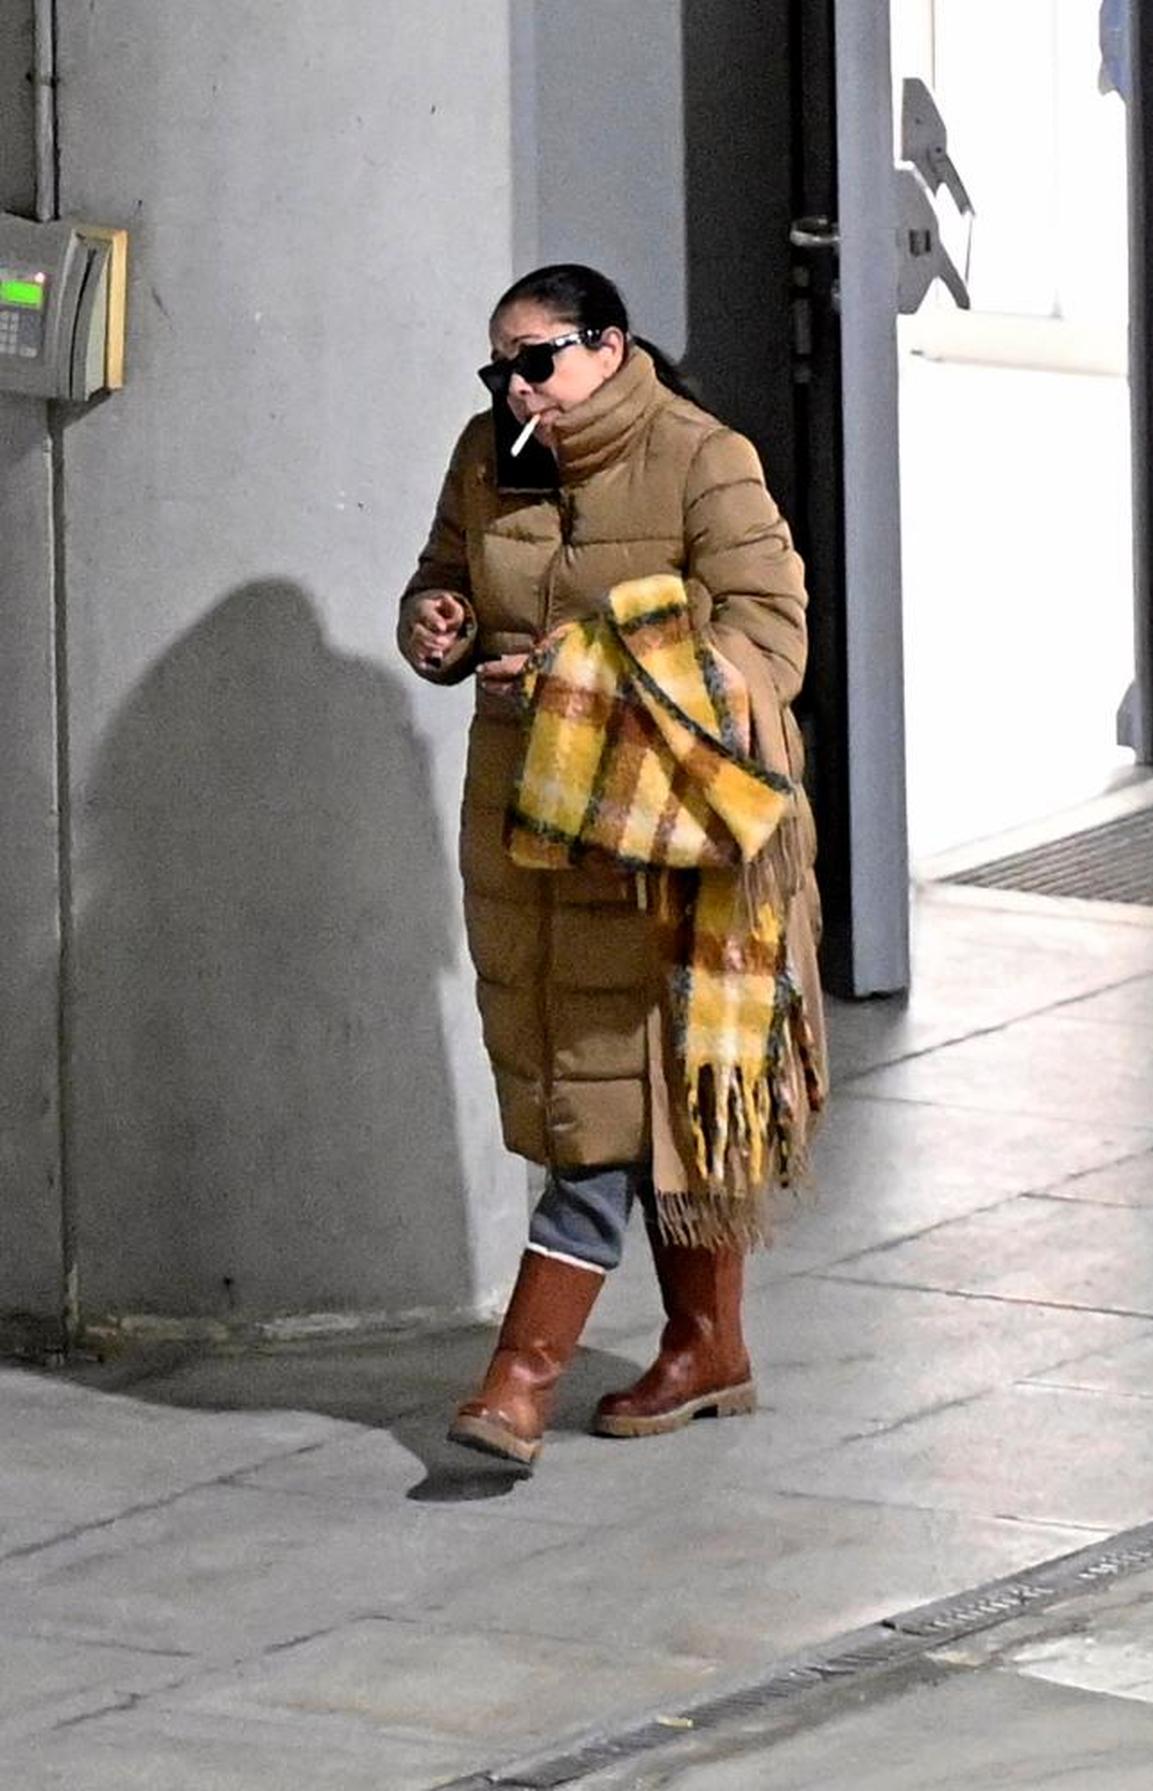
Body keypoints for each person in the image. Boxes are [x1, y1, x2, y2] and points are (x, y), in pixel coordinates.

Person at [397, 264, 825, 1470]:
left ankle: (517, 1384)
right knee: (621, 1099)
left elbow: (767, 641)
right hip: (529, 833)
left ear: (608, 345)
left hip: (667, 849)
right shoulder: (488, 455)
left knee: (609, 1112)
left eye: (537, 359)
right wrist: (436, 621)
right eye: (500, 366)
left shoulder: (703, 458)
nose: (516, 386)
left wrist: (575, 683)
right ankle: (708, 1347)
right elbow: (450, 573)